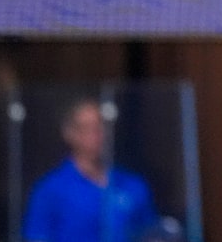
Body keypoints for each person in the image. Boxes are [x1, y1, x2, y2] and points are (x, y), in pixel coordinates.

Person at [22, 98, 162, 242]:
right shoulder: (49, 190)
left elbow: (150, 234)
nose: (96, 136)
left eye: (101, 128)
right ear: (69, 133)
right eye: (87, 128)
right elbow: (37, 236)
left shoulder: (133, 185)